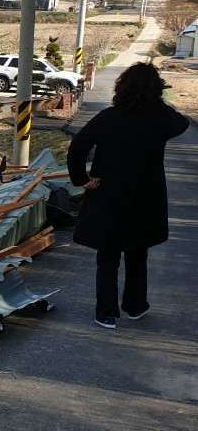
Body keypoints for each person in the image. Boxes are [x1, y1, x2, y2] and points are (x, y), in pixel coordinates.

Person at [67, 62, 189, 329]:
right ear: (156, 90)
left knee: (107, 257)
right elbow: (182, 123)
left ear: (121, 87)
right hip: (145, 199)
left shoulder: (108, 117)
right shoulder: (162, 118)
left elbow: (77, 148)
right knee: (137, 254)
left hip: (108, 197)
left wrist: (82, 180)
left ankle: (106, 313)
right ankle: (135, 306)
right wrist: (158, 102)